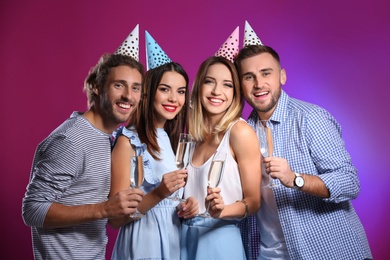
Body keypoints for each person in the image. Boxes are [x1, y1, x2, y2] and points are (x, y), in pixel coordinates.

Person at [235, 27, 373, 259]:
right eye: (249, 77)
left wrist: (295, 179)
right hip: (269, 254)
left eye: (266, 73)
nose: (258, 84)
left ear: (282, 76)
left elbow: (349, 182)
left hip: (327, 253)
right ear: (241, 85)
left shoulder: (310, 118)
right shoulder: (241, 132)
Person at [21, 52, 145, 260]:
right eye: (118, 85)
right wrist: (104, 209)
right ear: (97, 86)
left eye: (135, 88)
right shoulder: (71, 140)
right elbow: (33, 210)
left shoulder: (105, 137)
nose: (128, 96)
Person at [109, 31, 199, 260]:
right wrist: (160, 192)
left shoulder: (169, 139)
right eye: (165, 89)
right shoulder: (127, 141)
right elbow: (116, 218)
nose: (174, 99)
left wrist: (185, 206)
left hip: (172, 238)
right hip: (143, 242)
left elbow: (170, 199)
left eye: (180, 91)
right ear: (148, 93)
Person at [180, 54, 261, 260]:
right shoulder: (192, 139)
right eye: (209, 82)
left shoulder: (240, 132)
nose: (217, 91)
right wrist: (186, 206)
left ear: (235, 93)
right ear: (199, 87)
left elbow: (253, 202)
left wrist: (222, 210)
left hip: (220, 241)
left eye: (227, 85)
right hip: (183, 239)